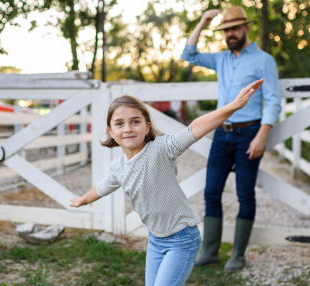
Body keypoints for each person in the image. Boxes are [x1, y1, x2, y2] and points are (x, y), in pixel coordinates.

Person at [70, 78, 264, 286]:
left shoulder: (162, 149)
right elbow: (103, 187)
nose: (127, 128)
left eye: (135, 121)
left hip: (182, 239)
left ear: (147, 127)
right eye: (119, 123)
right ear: (111, 132)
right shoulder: (118, 167)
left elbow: (195, 128)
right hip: (155, 240)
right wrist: (83, 199)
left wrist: (233, 106)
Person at [181, 6, 281, 272]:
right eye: (226, 30)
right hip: (220, 134)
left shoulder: (264, 60)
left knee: (244, 195)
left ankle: (238, 255)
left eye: (235, 28)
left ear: (247, 28)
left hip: (249, 134)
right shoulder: (221, 59)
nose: (230, 34)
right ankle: (211, 252)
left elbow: (272, 102)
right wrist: (203, 21)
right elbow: (188, 54)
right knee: (211, 192)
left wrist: (261, 136)